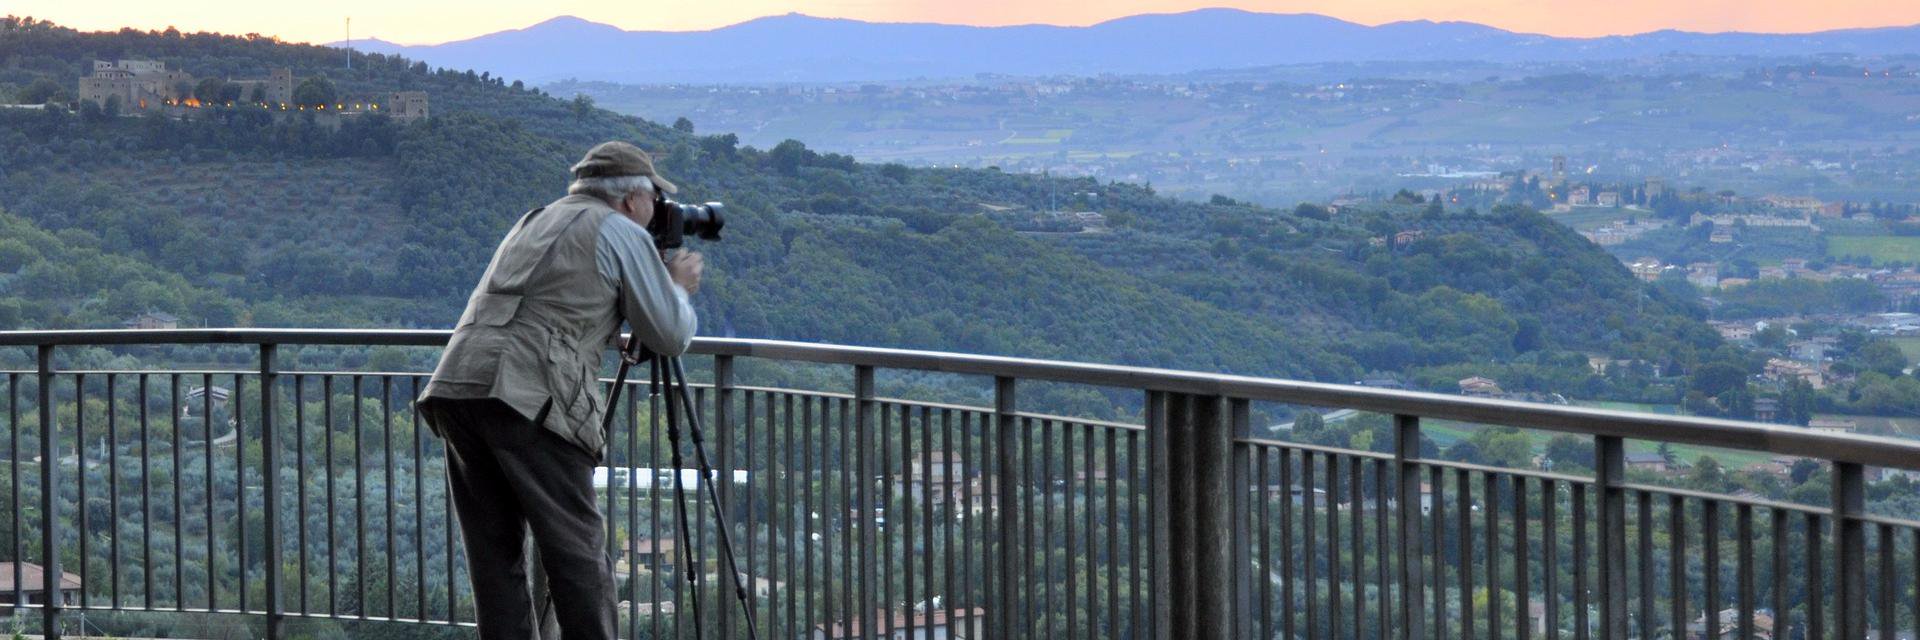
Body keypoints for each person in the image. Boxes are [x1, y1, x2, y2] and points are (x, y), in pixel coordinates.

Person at [417, 141, 703, 640]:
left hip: (460, 384)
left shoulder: (536, 218)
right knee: (577, 554)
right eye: (655, 197)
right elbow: (671, 334)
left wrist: (602, 329)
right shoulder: (619, 231)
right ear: (631, 198)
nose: (658, 209)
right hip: (527, 396)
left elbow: (543, 304)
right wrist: (674, 285)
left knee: (495, 558)